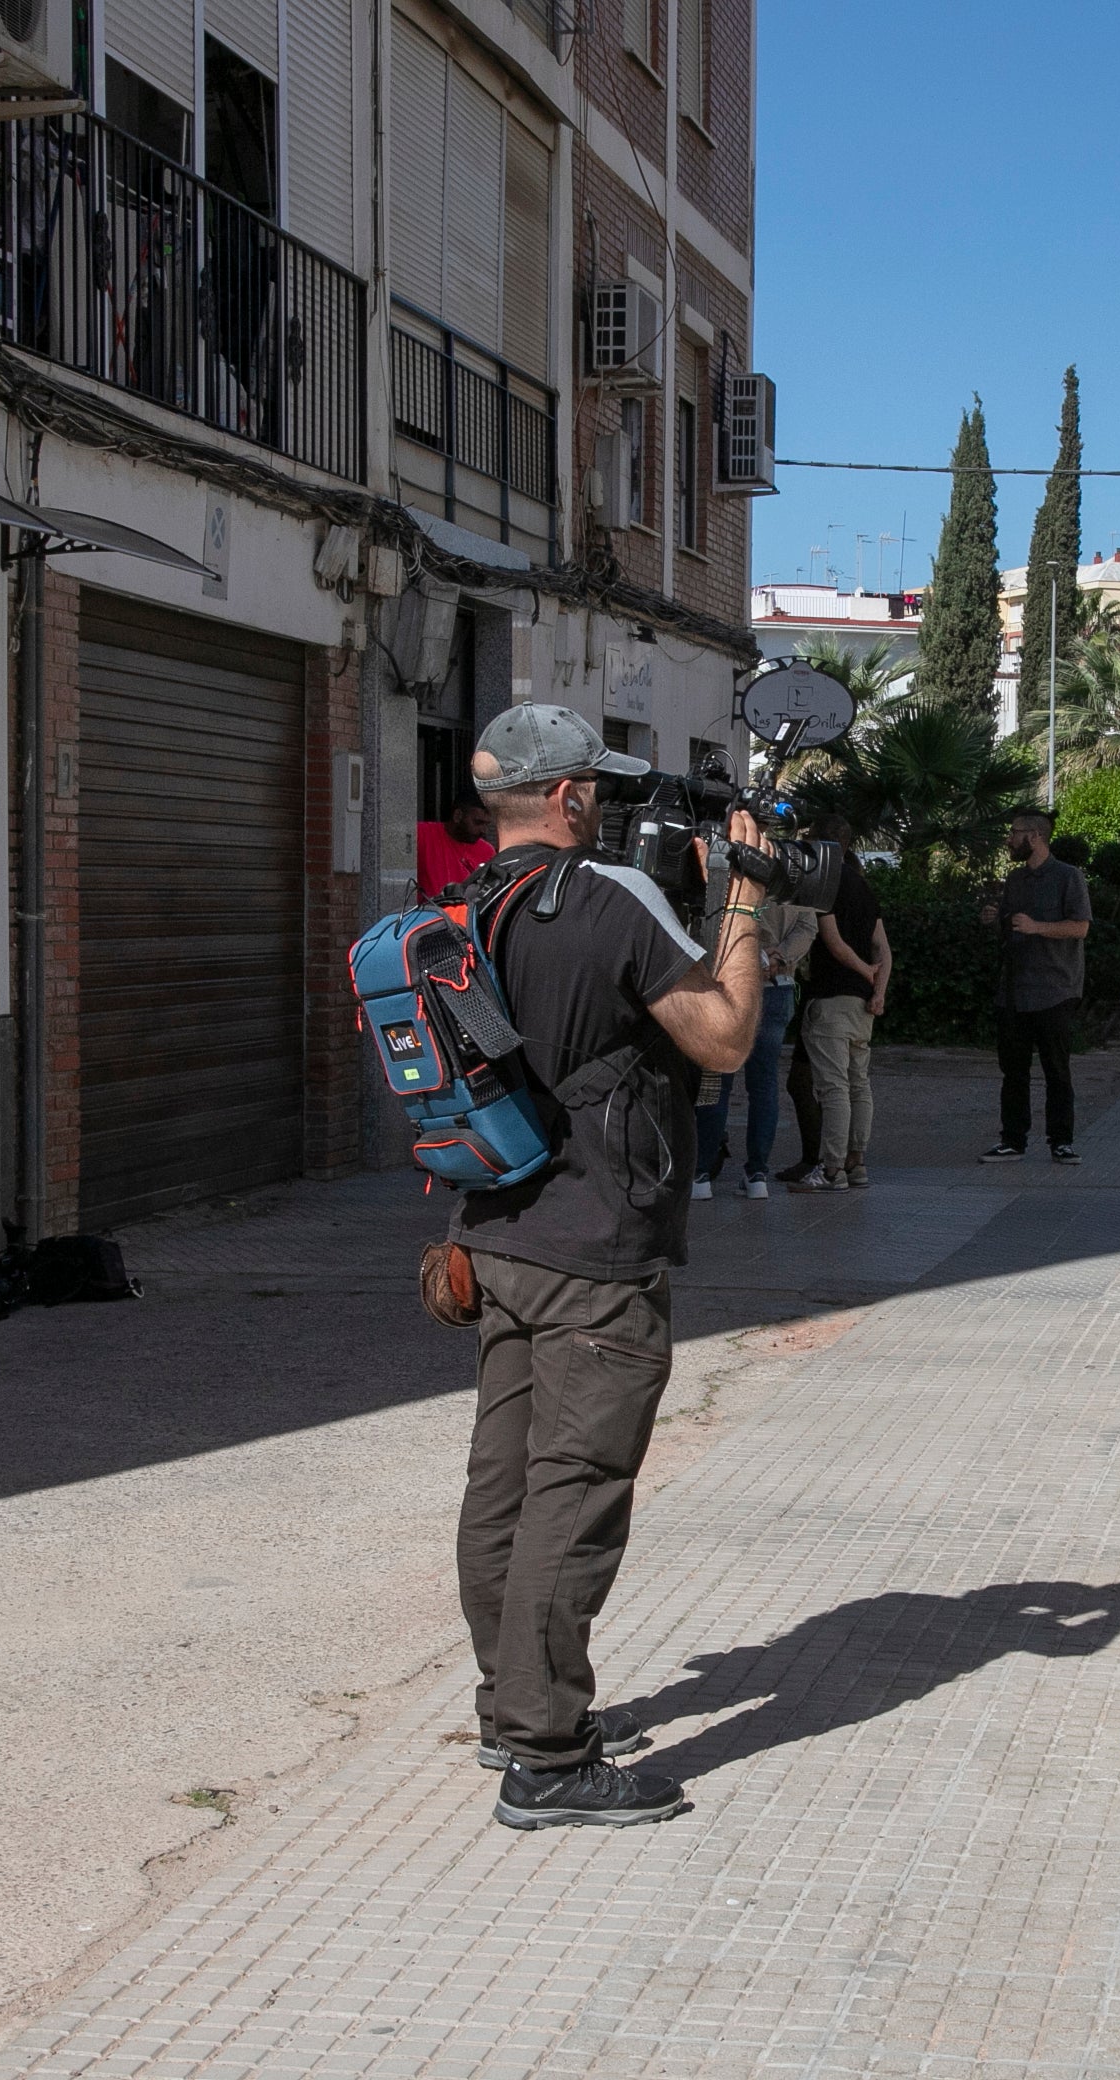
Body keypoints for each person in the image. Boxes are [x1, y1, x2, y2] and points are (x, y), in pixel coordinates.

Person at [447, 704, 776, 1830]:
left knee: (505, 1480)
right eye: (600, 786)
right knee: (572, 1494)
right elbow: (724, 1038)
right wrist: (744, 892)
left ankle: (508, 1708)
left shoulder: (452, 906)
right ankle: (547, 1755)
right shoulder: (606, 899)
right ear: (571, 795)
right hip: (595, 1246)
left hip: (493, 1231)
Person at [977, 809, 1091, 1164]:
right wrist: (993, 920)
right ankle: (1013, 1139)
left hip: (1055, 988)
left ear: (1035, 836)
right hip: (1014, 990)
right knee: (1013, 1070)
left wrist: (1038, 927)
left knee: (1056, 1069)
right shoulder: (1015, 880)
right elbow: (1011, 928)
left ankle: (1061, 1140)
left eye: (1014, 833)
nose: (1009, 839)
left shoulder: (1068, 877)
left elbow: (1080, 927)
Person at [692, 894, 815, 1200]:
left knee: (717, 1080)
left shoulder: (734, 869)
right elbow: (807, 926)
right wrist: (778, 957)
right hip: (778, 986)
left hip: (728, 984)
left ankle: (701, 1173)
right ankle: (756, 1173)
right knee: (764, 1084)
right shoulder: (793, 872)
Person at [793, 817, 889, 1191]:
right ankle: (856, 1162)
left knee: (833, 1088)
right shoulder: (864, 888)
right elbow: (884, 947)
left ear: (820, 844)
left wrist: (866, 971)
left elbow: (831, 941)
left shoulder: (824, 884)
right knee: (858, 1084)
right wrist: (878, 989)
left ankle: (831, 1170)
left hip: (830, 998)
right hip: (862, 1004)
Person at [415, 793, 496, 900]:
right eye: (478, 822)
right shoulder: (422, 834)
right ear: (457, 816)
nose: (483, 830)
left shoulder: (487, 851)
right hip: (428, 914)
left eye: (486, 824)